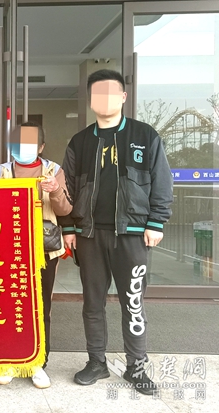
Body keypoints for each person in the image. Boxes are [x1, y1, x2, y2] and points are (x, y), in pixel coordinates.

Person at [59, 69, 173, 395]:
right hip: (90, 235)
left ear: (123, 97)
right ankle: (97, 362)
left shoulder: (144, 135)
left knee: (133, 302)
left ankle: (136, 367)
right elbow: (66, 189)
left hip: (133, 235)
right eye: (98, 93)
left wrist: (156, 222)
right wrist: (69, 228)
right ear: (90, 100)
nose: (105, 99)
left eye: (111, 93)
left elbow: (162, 181)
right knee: (92, 303)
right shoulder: (80, 141)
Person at [0, 123, 72, 389]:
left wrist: (55, 190)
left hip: (43, 249)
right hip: (7, 250)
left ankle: (37, 363)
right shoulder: (0, 172)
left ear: (41, 146)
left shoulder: (54, 171)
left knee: (40, 306)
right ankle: (9, 359)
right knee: (9, 304)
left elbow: (65, 209)